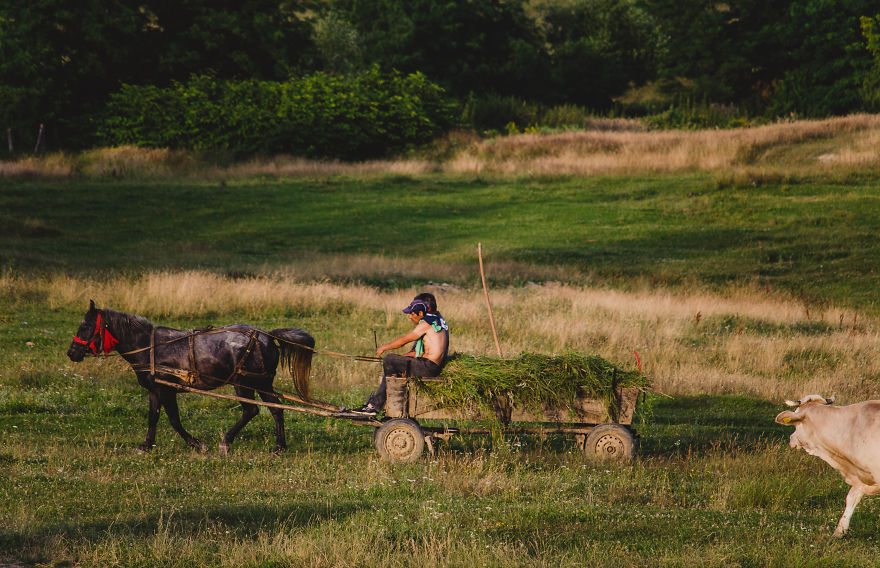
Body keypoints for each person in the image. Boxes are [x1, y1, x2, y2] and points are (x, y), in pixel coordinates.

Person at [351, 294, 449, 416]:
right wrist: (402, 360)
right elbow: (420, 351)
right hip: (431, 365)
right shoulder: (437, 320)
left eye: (412, 313)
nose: (409, 317)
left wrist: (384, 347)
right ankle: (378, 404)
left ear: (421, 312)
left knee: (389, 359)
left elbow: (404, 340)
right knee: (395, 363)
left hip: (428, 367)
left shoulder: (426, 324)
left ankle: (375, 406)